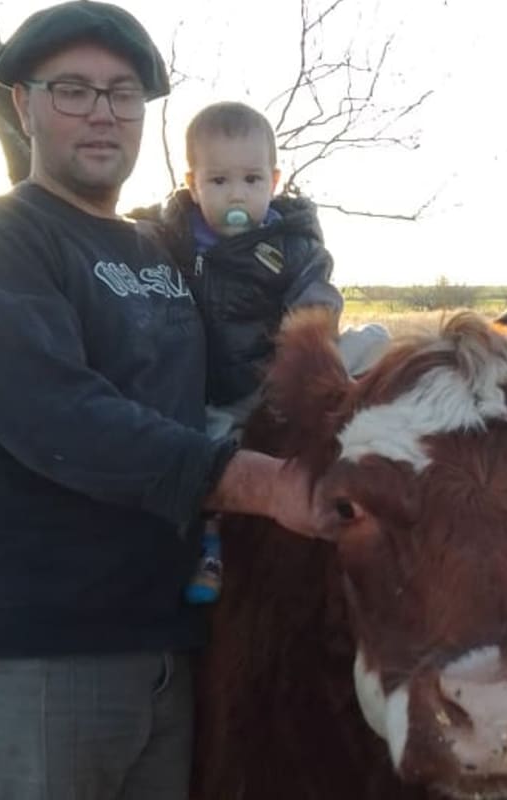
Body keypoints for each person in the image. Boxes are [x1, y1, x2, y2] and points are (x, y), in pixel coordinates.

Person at [0, 4, 332, 799]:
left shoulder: (158, 251)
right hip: (20, 650)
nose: (102, 112)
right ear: (23, 106)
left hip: (162, 642)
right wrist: (261, 483)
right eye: (73, 90)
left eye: (123, 94)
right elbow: (60, 417)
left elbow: (238, 369)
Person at [132, 101, 343, 605]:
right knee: (208, 448)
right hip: (212, 389)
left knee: (371, 351)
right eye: (220, 181)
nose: (237, 194)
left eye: (251, 181)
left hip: (271, 376)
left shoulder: (292, 245)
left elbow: (315, 297)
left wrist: (307, 346)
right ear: (193, 184)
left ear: (273, 181)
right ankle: (211, 548)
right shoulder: (171, 239)